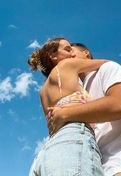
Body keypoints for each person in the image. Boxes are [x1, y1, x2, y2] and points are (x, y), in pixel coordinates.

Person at [48, 43, 121, 176]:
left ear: (86, 53)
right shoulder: (80, 92)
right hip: (95, 169)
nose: (68, 56)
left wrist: (64, 113)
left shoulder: (107, 68)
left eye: (71, 50)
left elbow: (120, 105)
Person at [28, 37, 107, 176]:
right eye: (67, 49)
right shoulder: (67, 65)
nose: (72, 54)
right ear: (52, 55)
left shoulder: (43, 90)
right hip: (72, 141)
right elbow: (106, 63)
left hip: (46, 153)